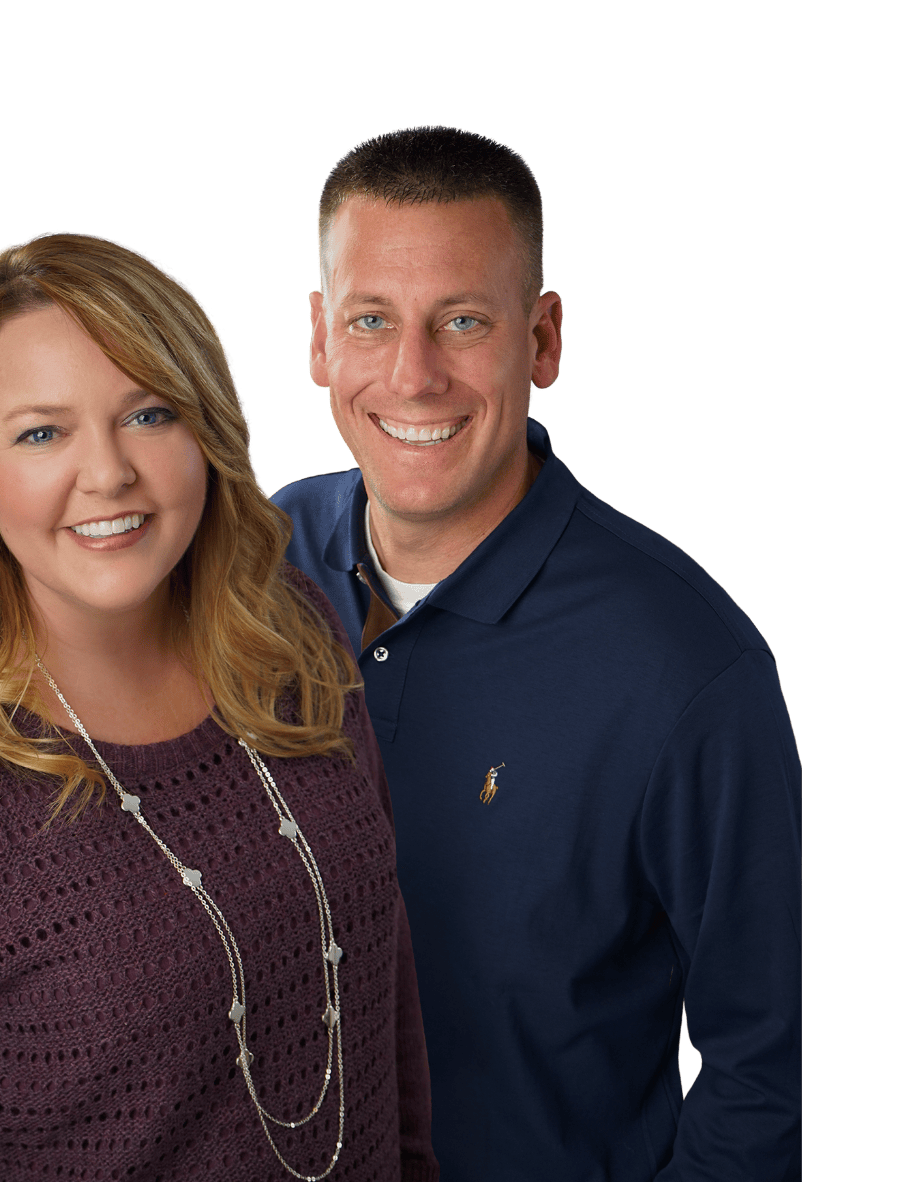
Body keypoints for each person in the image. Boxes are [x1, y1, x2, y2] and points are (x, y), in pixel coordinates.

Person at [0, 232, 440, 1181]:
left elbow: (372, 952)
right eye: (41, 432)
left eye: (148, 414)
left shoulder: (297, 636)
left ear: (209, 428)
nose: (107, 473)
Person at [274, 127, 801, 1179]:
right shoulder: (244, 574)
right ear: (322, 338)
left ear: (543, 340)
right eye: (372, 321)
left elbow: (761, 1077)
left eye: (462, 320)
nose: (413, 376)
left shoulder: (689, 669)